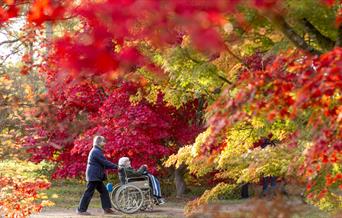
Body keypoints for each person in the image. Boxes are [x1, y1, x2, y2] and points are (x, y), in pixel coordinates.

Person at [77, 136, 118, 215]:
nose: (105, 143)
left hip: (96, 176)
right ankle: (81, 210)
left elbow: (103, 163)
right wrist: (116, 167)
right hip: (94, 176)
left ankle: (107, 208)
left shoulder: (97, 151)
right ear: (99, 142)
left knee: (104, 191)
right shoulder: (96, 151)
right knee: (88, 193)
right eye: (103, 141)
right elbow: (104, 162)